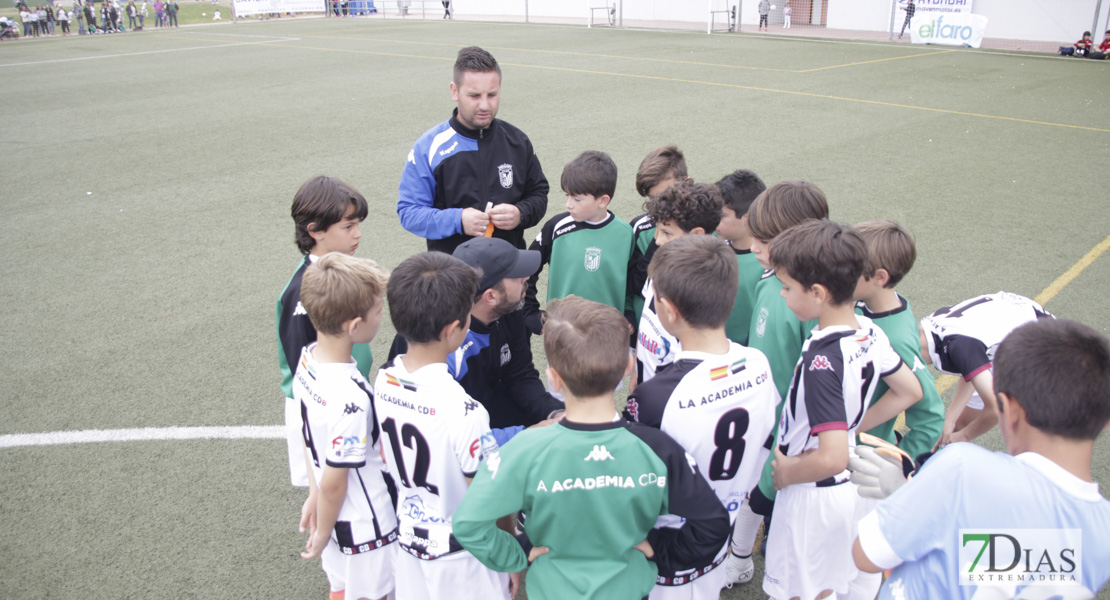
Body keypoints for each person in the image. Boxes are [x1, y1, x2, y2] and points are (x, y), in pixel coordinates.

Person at [453, 296, 731, 600]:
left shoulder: (524, 449)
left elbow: (468, 525)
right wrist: (660, 549)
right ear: (628, 366)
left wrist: (520, 552)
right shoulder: (658, 449)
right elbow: (714, 526)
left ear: (553, 379)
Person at [853, 318, 1110, 599]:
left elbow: (866, 555)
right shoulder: (1103, 532)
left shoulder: (962, 469)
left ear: (1008, 409)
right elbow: (1008, 562)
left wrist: (908, 494)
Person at [763, 220, 922, 600]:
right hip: (853, 486)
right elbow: (909, 391)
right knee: (847, 583)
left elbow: (830, 458)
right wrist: (852, 428)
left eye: (786, 287)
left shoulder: (823, 359)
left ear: (817, 292)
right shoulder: (870, 330)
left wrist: (787, 474)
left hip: (813, 495)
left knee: (807, 591)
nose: (782, 295)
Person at [625, 236, 779, 599]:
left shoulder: (656, 397)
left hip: (664, 553)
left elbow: (626, 481)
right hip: (716, 542)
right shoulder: (758, 364)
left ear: (669, 310)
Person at [375, 251, 516, 600]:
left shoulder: (382, 381)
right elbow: (488, 497)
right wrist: (510, 552)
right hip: (464, 558)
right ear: (454, 329)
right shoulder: (465, 410)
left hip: (408, 542)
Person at [728, 180, 828, 584]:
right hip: (763, 414)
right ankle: (738, 560)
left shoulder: (814, 304)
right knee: (751, 490)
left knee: (772, 499)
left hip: (797, 431)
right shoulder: (769, 281)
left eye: (764, 240)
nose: (754, 247)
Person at [387, 237, 564, 439]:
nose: (527, 277)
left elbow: (520, 375)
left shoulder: (511, 311)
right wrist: (527, 435)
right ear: (490, 297)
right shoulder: (430, 342)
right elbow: (447, 437)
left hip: (492, 422)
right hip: (465, 439)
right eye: (516, 276)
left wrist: (554, 412)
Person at [294, 253, 397, 600]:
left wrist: (314, 495)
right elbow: (337, 481)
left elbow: (311, 446)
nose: (382, 317)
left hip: (336, 517)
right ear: (355, 326)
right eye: (378, 312)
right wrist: (322, 530)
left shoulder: (307, 359)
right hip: (368, 525)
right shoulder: (350, 398)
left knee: (341, 589)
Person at [397, 46, 550, 255]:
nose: (485, 105)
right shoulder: (429, 147)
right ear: (454, 91)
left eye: (492, 94)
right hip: (453, 276)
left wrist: (520, 213)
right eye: (475, 95)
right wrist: (457, 220)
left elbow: (538, 194)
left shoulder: (517, 141)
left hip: (508, 272)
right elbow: (409, 212)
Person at [277, 176, 374, 488]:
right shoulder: (302, 293)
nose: (357, 234)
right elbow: (299, 364)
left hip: (345, 399)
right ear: (315, 231)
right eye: (348, 227)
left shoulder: (339, 274)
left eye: (357, 224)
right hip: (323, 410)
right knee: (330, 493)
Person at [853, 220, 944, 463]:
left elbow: (930, 417)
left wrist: (903, 465)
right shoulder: (871, 303)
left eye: (848, 268)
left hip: (861, 460)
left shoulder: (896, 337)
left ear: (880, 278)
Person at [919, 291, 1053, 447]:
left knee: (1026, 437)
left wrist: (965, 436)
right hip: (1016, 323)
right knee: (956, 426)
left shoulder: (960, 347)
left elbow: (996, 408)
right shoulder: (928, 331)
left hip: (1042, 349)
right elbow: (969, 363)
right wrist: (950, 419)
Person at [523, 150, 633, 334]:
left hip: (608, 334)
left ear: (603, 201)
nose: (568, 204)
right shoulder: (556, 227)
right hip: (563, 333)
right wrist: (529, 312)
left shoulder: (625, 233)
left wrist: (629, 314)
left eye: (577, 199)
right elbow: (528, 268)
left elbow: (632, 281)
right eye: (567, 195)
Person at [635, 180, 723, 385]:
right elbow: (647, 320)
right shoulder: (663, 263)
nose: (657, 240)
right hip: (646, 379)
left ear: (697, 235)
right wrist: (638, 370)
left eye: (667, 232)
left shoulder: (703, 289)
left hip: (670, 392)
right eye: (658, 230)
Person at [627, 144, 687, 326]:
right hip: (648, 334)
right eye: (653, 199)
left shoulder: (710, 228)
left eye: (665, 194)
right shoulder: (640, 229)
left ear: (686, 182)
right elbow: (633, 285)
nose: (660, 204)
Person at [714, 168, 767, 347]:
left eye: (722, 216)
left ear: (746, 218)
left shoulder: (766, 263)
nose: (714, 221)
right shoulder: (714, 247)